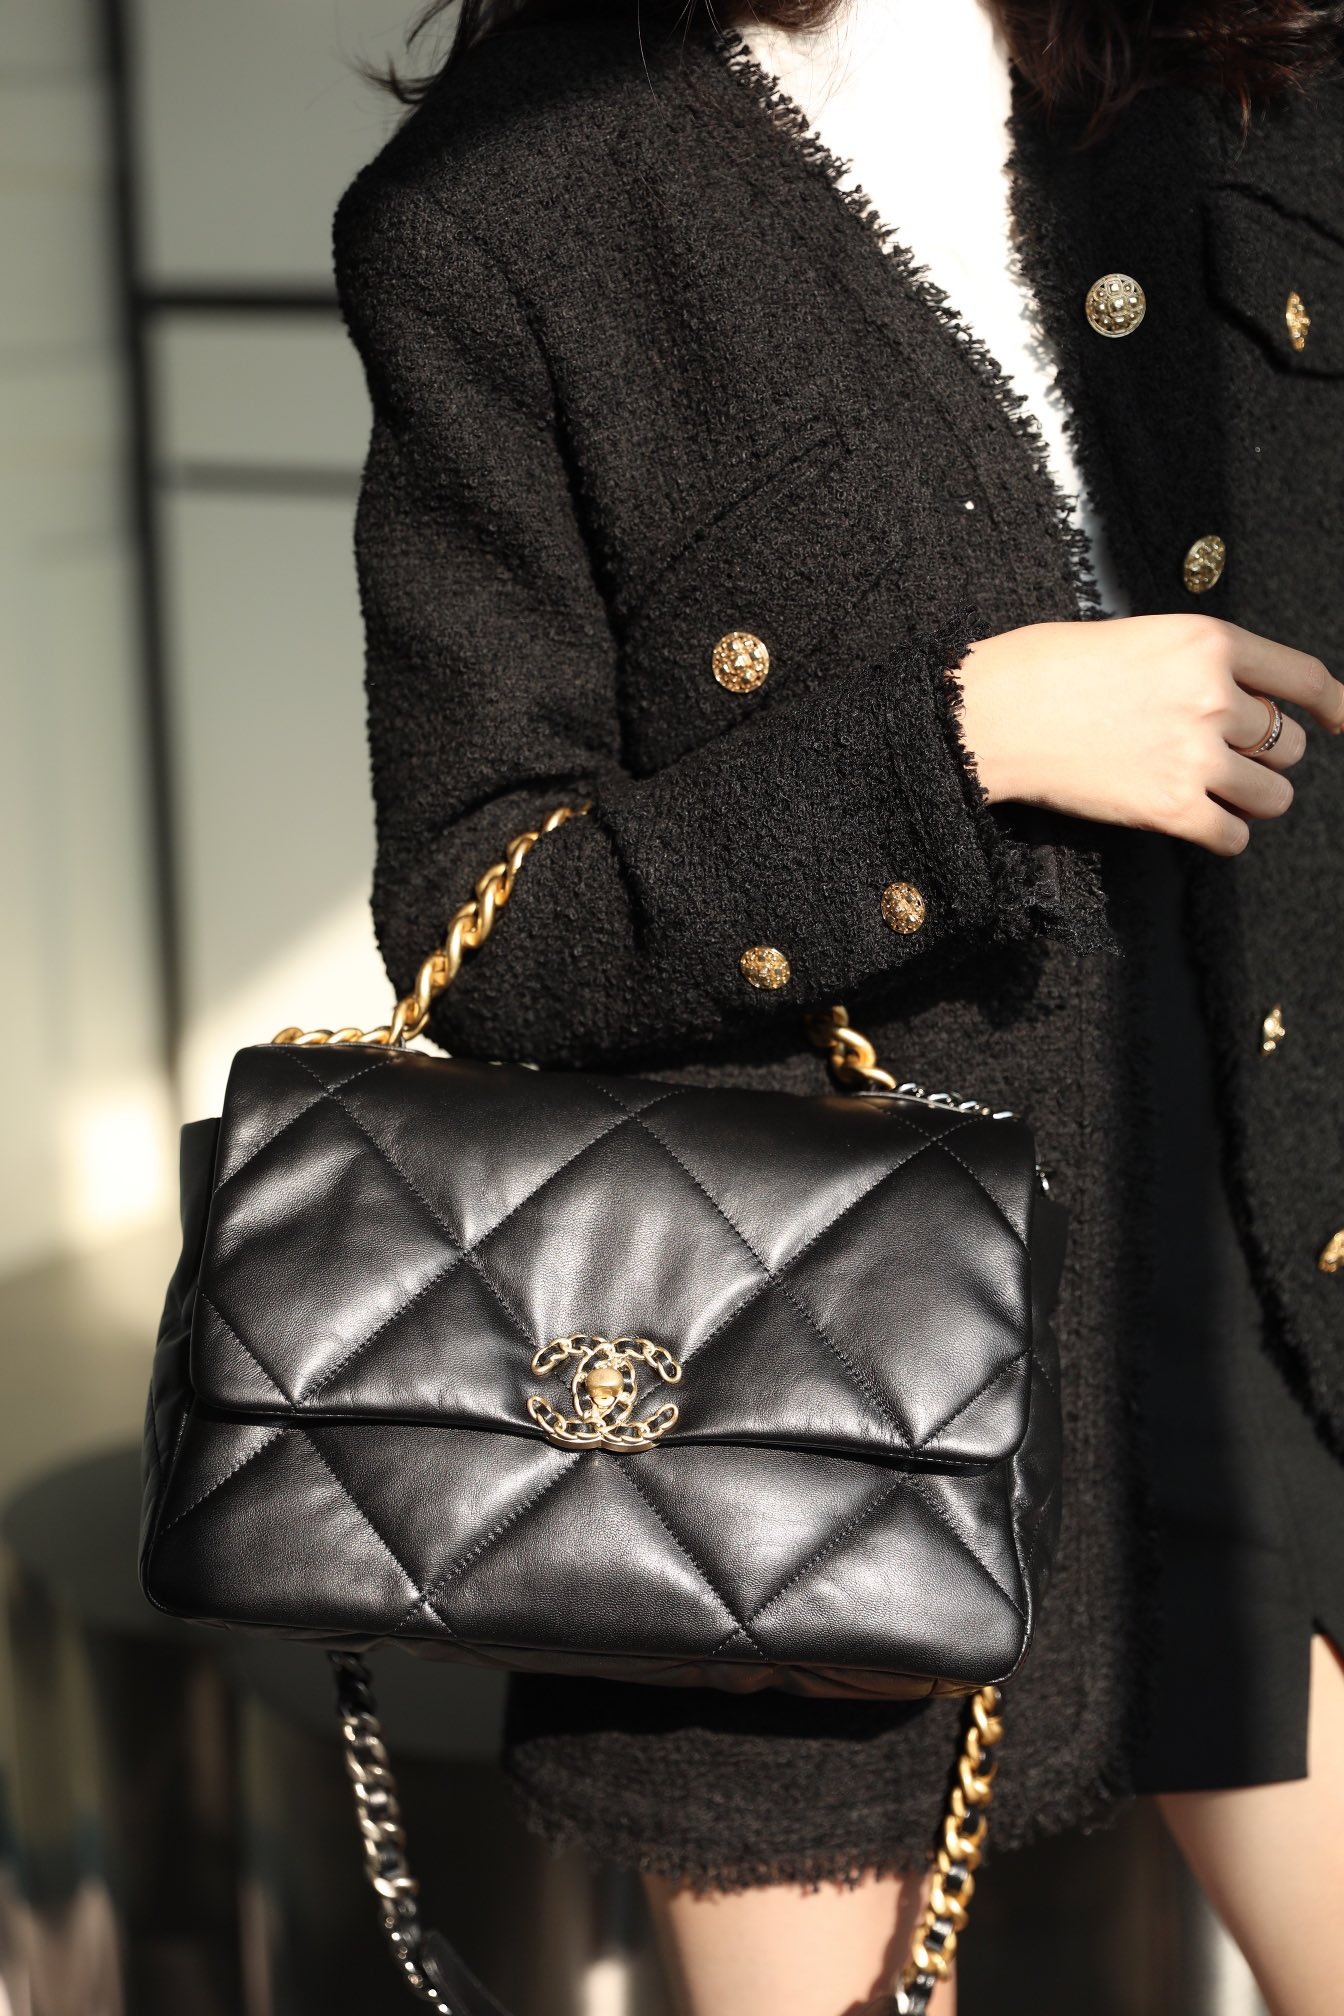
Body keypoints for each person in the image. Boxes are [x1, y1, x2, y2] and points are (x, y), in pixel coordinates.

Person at [332, 2, 1344, 2009]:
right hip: (793, 1354)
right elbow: (488, 918)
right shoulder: (504, 203)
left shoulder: (1255, 50)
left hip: (1262, 1288)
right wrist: (958, 748)